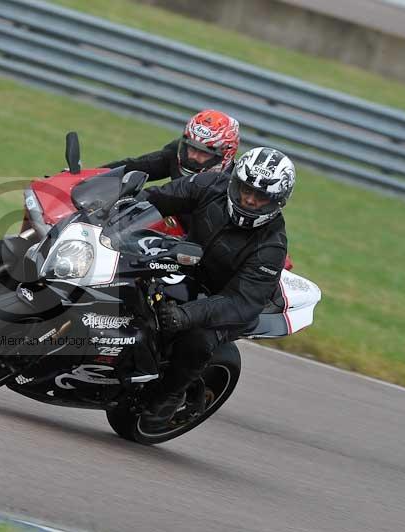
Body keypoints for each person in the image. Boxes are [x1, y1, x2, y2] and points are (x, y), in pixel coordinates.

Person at [138, 146, 296, 433]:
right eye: (245, 189)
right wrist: (115, 207)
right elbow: (157, 198)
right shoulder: (210, 184)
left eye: (260, 197)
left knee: (197, 339)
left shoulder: (270, 246)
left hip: (226, 299)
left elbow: (239, 302)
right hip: (188, 268)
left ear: (277, 202)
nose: (249, 199)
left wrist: (186, 316)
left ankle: (168, 398)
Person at [102, 109, 240, 182]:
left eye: (204, 152)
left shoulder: (230, 185)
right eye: (192, 147)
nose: (193, 157)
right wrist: (91, 177)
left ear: (225, 153)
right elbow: (135, 166)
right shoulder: (176, 154)